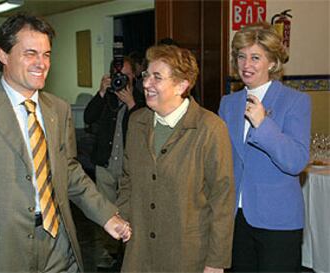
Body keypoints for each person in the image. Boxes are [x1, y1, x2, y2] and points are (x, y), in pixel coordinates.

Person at [0, 13, 131, 273]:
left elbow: (69, 172)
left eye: (46, 54)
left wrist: (107, 214)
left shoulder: (58, 110)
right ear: (3, 55)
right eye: (30, 53)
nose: (41, 63)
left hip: (57, 246)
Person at [117, 44, 235, 273]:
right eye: (146, 75)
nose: (146, 83)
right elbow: (127, 179)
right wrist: (123, 219)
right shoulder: (137, 121)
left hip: (187, 256)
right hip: (140, 253)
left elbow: (222, 200)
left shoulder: (210, 128)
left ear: (182, 85)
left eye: (157, 77)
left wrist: (216, 262)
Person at [218, 22, 311, 273]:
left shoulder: (296, 101)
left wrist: (263, 124)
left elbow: (296, 161)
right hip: (236, 219)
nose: (246, 64)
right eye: (241, 56)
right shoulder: (228, 103)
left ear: (272, 62)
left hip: (278, 220)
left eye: (255, 57)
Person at [84, 56, 145, 268]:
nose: (123, 80)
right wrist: (101, 92)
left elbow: (142, 129)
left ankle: (128, 255)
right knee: (105, 213)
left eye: (127, 75)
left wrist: (130, 104)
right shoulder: (106, 98)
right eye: (120, 76)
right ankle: (106, 255)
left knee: (130, 214)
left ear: (134, 76)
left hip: (129, 169)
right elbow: (88, 117)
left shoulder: (142, 98)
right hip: (106, 165)